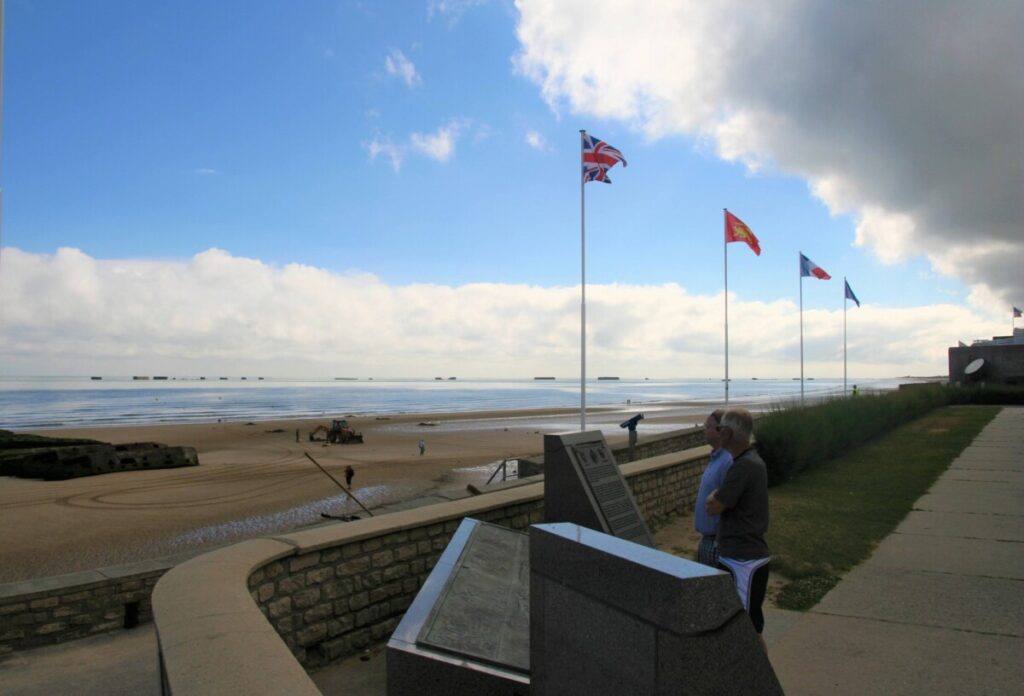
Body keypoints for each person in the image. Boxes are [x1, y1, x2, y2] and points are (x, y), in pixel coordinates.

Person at [706, 408, 771, 643]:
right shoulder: (744, 462)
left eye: (720, 428)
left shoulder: (744, 467)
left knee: (747, 630)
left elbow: (713, 505)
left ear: (729, 433)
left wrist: (714, 496)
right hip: (737, 557)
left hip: (744, 561)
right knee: (744, 627)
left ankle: (758, 679)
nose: (717, 432)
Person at [694, 409, 732, 567]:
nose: (704, 430)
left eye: (707, 427)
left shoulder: (728, 461)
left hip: (717, 544)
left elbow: (730, 502)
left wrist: (719, 540)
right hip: (707, 540)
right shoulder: (716, 458)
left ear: (720, 431)